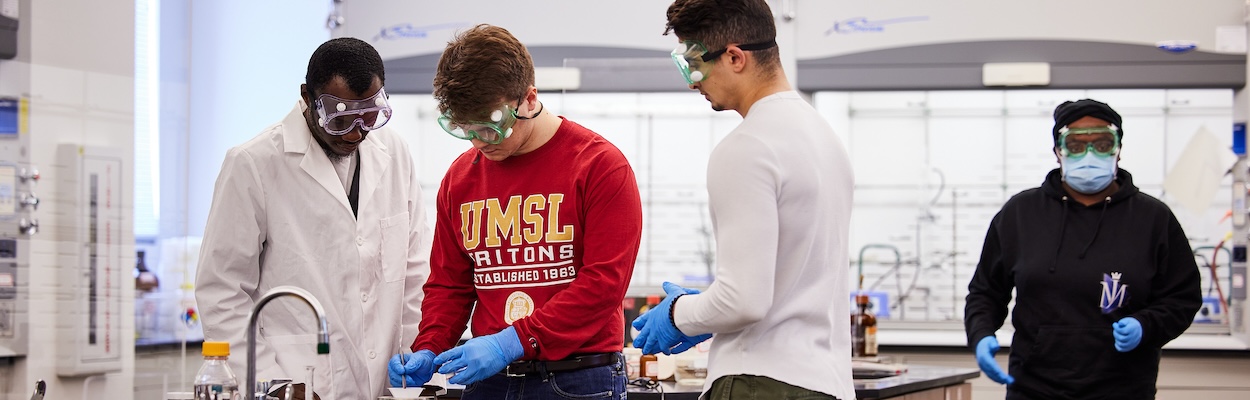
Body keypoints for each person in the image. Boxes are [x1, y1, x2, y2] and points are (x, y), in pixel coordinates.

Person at [386, 24, 643, 399]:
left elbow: (603, 285)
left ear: (528, 99)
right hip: (487, 383)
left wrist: (513, 341)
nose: (478, 141)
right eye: (464, 128)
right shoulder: (460, 179)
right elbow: (450, 285)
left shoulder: (600, 166)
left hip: (575, 380)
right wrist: (430, 344)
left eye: (491, 127)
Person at [630, 1, 856, 399]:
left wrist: (676, 314)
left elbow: (742, 301)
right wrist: (702, 314)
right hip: (828, 384)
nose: (691, 82)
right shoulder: (826, 138)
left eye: (693, 63)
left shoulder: (747, 147)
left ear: (735, 57)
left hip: (760, 382)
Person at [196, 37, 431, 400]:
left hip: (389, 381)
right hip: (298, 380)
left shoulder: (395, 152)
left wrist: (421, 352)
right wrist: (274, 383)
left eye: (368, 116)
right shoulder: (253, 164)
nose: (356, 132)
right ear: (307, 97)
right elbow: (222, 290)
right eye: (339, 118)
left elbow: (415, 270)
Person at [964, 99, 1202, 399]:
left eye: (1102, 144)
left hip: (1123, 388)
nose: (1089, 154)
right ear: (1058, 151)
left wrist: (1146, 325)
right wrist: (981, 334)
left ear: (1117, 150)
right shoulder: (1020, 214)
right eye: (1076, 145)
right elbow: (986, 291)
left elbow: (1183, 297)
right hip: (1034, 387)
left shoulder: (1153, 218)